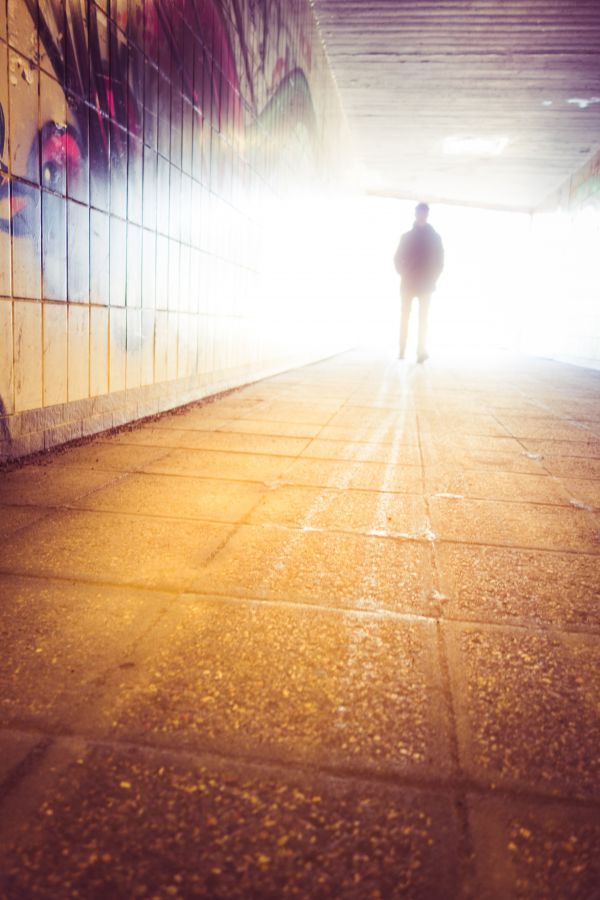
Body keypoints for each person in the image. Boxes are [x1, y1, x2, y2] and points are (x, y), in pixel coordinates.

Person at [393, 202, 444, 363]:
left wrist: (432, 278)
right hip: (408, 283)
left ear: (427, 214)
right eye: (419, 212)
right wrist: (404, 273)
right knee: (405, 317)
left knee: (423, 319)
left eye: (424, 212)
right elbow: (396, 259)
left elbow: (440, 262)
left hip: (425, 285)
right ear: (416, 214)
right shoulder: (406, 237)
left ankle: (420, 351)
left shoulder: (435, 237)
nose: (421, 215)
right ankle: (402, 350)